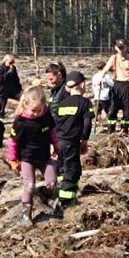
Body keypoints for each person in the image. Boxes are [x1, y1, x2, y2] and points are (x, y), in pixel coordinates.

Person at [7, 86, 60, 225]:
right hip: (27, 158)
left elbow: (52, 133)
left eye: (39, 110)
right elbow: (13, 142)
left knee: (52, 182)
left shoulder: (46, 117)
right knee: (29, 185)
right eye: (33, 111)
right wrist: (13, 160)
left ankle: (43, 195)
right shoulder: (21, 123)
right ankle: (26, 214)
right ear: (25, 106)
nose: (36, 114)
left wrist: (57, 147)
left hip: (44, 157)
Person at [51, 71, 92, 207]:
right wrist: (84, 140)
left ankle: (59, 192)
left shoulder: (61, 104)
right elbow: (87, 123)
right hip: (71, 143)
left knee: (62, 168)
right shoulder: (85, 103)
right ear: (82, 85)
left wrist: (52, 144)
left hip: (58, 142)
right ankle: (66, 202)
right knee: (72, 171)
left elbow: (55, 125)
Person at [102, 39, 129, 134]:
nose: (121, 50)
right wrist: (101, 78)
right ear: (116, 48)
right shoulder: (113, 58)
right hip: (116, 85)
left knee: (127, 110)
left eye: (123, 47)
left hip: (127, 86)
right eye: (119, 47)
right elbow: (105, 70)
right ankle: (111, 130)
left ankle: (125, 130)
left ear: (126, 47)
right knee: (112, 109)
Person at [0, 54, 22, 118]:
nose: (11, 64)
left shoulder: (13, 68)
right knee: (1, 110)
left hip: (12, 90)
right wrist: (9, 72)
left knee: (23, 97)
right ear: (5, 61)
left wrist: (19, 88)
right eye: (10, 62)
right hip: (2, 90)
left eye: (13, 62)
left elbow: (16, 79)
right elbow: (0, 80)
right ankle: (2, 118)